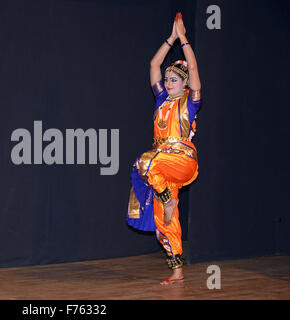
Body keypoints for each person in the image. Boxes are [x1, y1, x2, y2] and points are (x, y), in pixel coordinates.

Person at [126, 12, 201, 285]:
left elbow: (193, 70)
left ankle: (169, 198)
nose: (168, 83)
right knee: (165, 223)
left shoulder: (190, 102)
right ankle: (177, 272)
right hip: (162, 167)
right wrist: (169, 38)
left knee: (145, 162)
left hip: (181, 161)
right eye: (167, 80)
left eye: (174, 80)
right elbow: (153, 64)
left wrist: (183, 40)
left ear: (184, 85)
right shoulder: (161, 101)